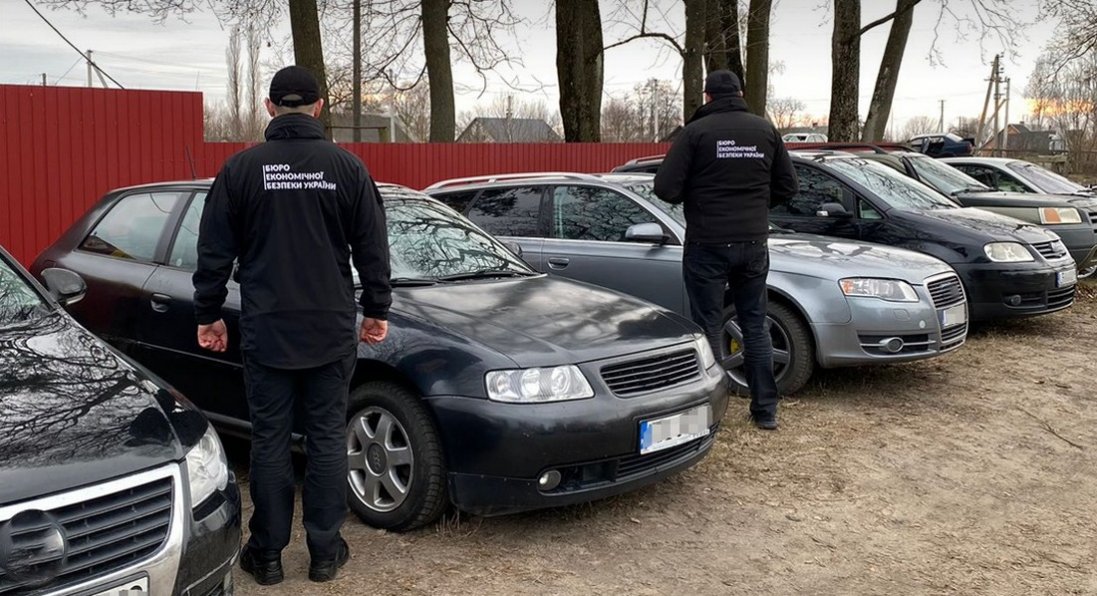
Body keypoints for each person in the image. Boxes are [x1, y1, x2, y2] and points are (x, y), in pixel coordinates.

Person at [193, 65, 392, 584]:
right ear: (320, 107)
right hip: (329, 329)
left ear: (269, 107)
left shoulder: (240, 170)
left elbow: (213, 250)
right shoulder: (347, 168)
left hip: (268, 330)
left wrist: (209, 313)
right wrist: (377, 309)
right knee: (327, 439)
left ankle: (269, 554)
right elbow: (373, 247)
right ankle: (326, 553)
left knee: (271, 441)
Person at [653, 69, 798, 431]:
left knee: (708, 327)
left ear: (708, 97)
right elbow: (788, 186)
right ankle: (765, 411)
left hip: (707, 243)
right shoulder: (765, 130)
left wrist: (699, 194)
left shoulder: (696, 133)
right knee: (754, 323)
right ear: (741, 92)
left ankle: (710, 414)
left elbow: (666, 188)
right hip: (753, 243)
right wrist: (756, 206)